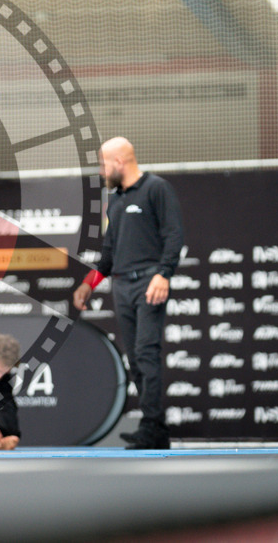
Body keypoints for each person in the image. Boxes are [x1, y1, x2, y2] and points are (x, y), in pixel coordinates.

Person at [72, 137, 184, 450]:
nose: (101, 171)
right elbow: (108, 252)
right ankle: (156, 429)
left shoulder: (156, 189)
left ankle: (151, 427)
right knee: (135, 358)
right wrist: (87, 284)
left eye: (103, 164)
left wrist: (164, 274)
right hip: (121, 284)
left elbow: (174, 235)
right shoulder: (117, 200)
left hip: (148, 282)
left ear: (119, 162)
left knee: (147, 354)